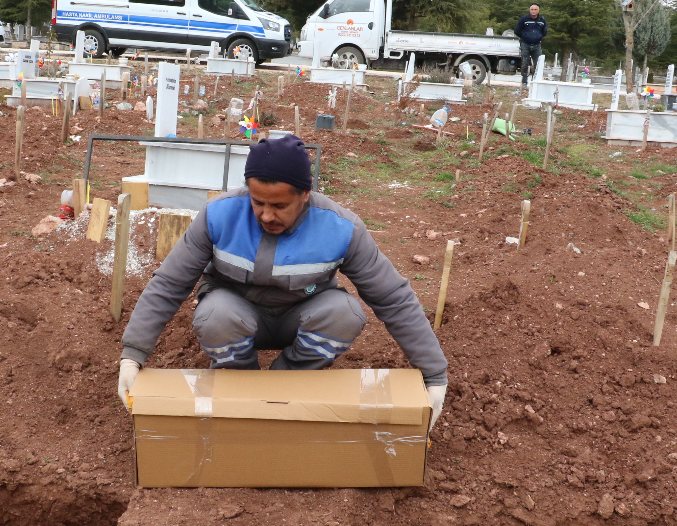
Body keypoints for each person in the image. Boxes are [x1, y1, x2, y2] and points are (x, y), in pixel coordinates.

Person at [117, 134, 448, 429]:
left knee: (345, 313)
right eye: (257, 202)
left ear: (305, 194)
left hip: (300, 315)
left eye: (279, 205)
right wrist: (133, 354)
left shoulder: (340, 228)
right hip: (236, 315)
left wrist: (434, 375)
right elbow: (169, 283)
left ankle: (287, 381)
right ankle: (241, 387)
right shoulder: (218, 215)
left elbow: (393, 297)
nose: (266, 215)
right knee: (214, 315)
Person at [515, 4, 547, 89]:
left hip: (537, 45)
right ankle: (524, 81)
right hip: (525, 44)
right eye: (532, 9)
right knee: (524, 64)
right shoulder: (524, 19)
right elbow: (517, 30)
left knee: (538, 64)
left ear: (538, 10)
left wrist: (538, 37)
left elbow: (544, 32)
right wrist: (525, 37)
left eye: (535, 9)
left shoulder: (542, 20)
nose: (533, 11)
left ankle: (535, 82)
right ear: (529, 10)